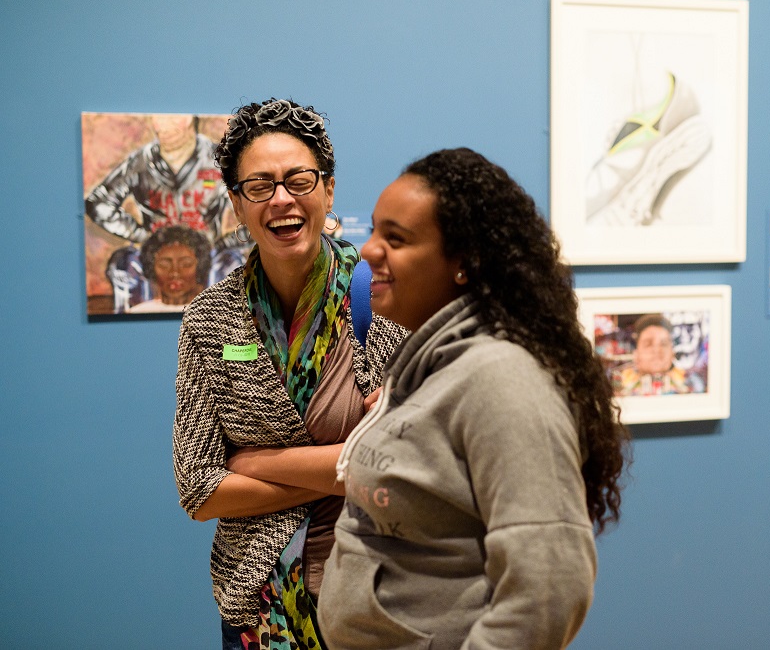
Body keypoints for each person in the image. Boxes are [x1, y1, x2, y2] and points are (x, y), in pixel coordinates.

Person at [317, 148, 631, 648]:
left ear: (462, 264)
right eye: (375, 231)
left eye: (395, 239)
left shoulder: (502, 380)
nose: (369, 251)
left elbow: (551, 587)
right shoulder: (426, 363)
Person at [171, 98, 407, 649]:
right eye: (259, 185)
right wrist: (343, 465)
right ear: (236, 202)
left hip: (376, 597)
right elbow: (200, 491)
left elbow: (403, 470)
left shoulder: (387, 300)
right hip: (256, 612)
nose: (281, 199)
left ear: (327, 189)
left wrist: (258, 462)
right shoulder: (211, 320)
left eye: (298, 179)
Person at [86, 114, 247, 311]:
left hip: (206, 256)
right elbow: (98, 203)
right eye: (159, 119)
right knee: (123, 264)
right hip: (154, 256)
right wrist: (141, 236)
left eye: (174, 120)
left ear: (191, 120)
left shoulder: (218, 161)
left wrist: (221, 245)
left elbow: (254, 213)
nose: (163, 125)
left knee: (232, 265)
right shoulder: (141, 162)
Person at [610, 313, 702, 396]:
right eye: (648, 344)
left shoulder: (692, 383)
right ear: (636, 353)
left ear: (672, 353)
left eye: (664, 344)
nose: (657, 350)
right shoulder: (618, 384)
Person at [128, 224, 211, 313]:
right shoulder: (138, 314)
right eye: (164, 265)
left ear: (200, 267)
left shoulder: (215, 315)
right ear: (151, 268)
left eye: (186, 264)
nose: (175, 273)